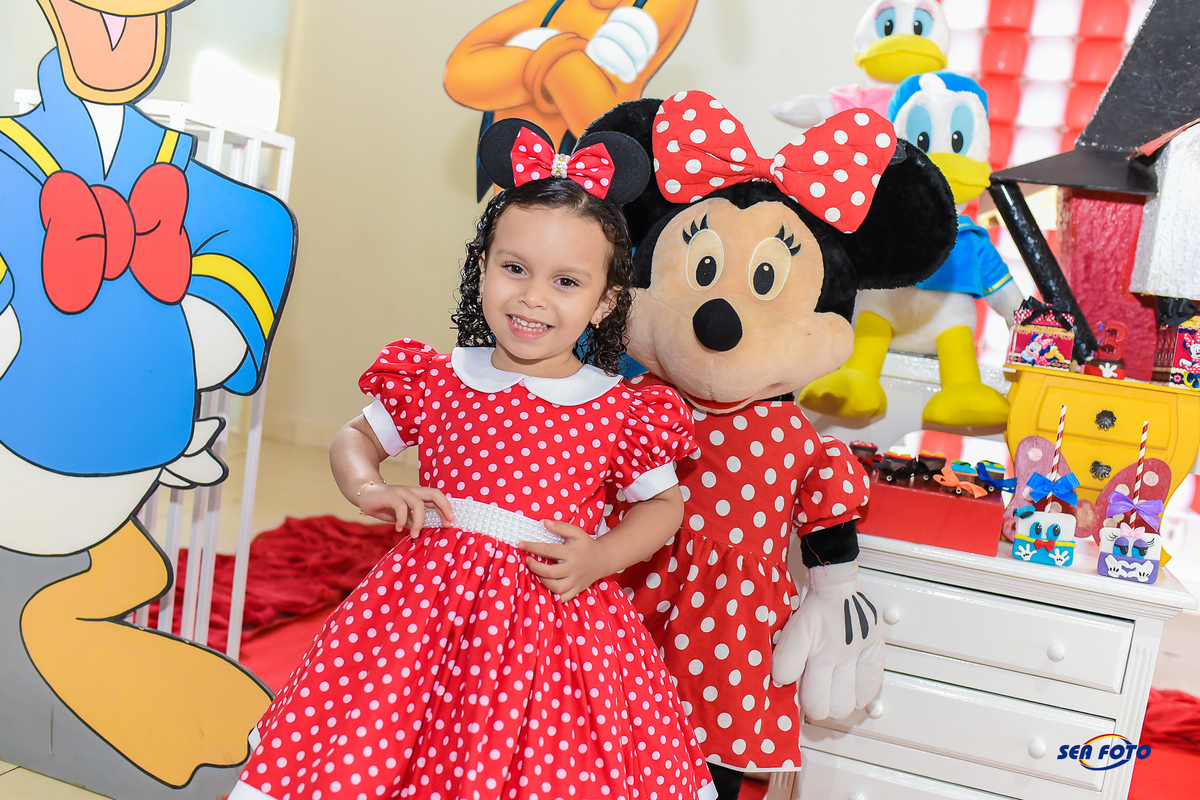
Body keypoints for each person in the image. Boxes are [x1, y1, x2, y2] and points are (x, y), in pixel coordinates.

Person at [228, 120, 716, 800]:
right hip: (424, 611)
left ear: (605, 301)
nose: (533, 296)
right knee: (386, 736)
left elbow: (665, 504)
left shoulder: (615, 408)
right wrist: (369, 488)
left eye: (566, 281)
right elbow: (354, 438)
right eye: (514, 268)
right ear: (482, 266)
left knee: (533, 756)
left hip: (552, 616)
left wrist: (603, 557)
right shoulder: (440, 378)